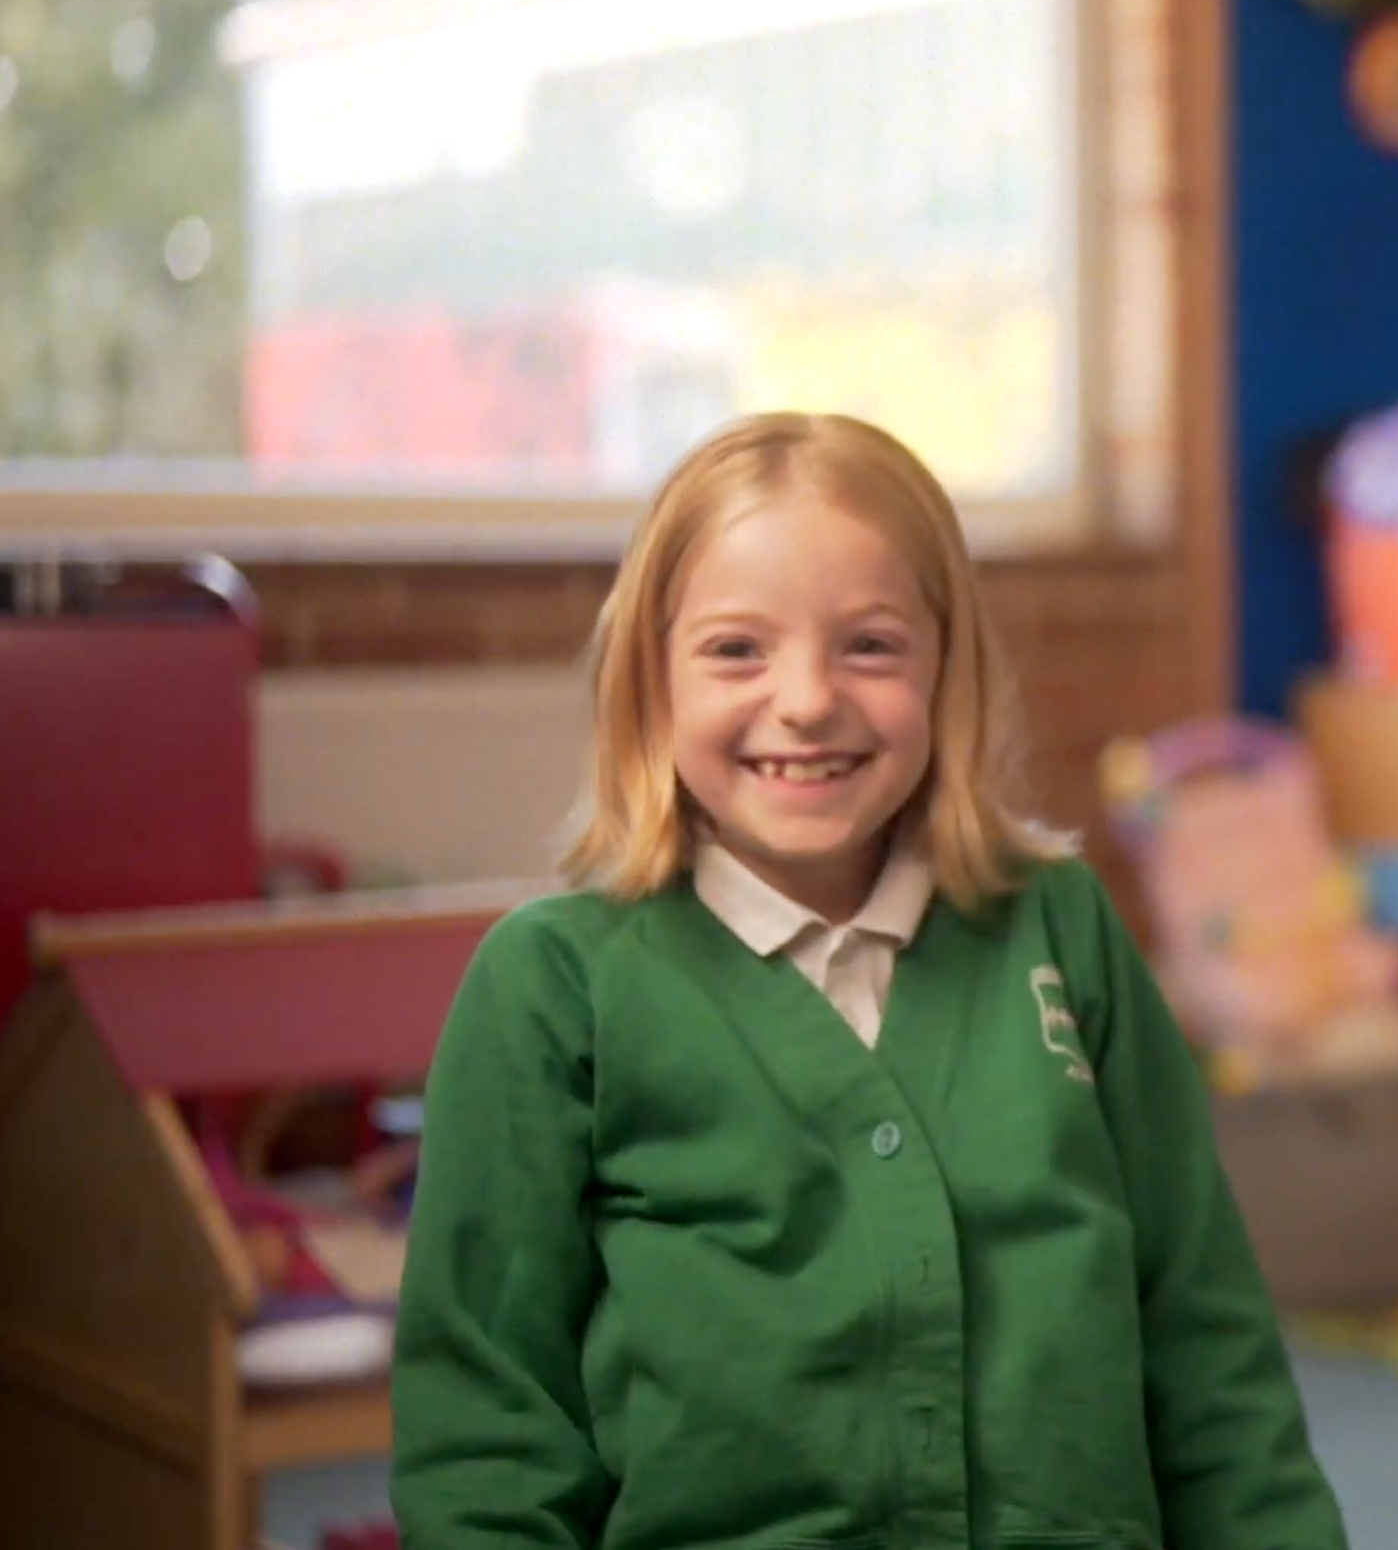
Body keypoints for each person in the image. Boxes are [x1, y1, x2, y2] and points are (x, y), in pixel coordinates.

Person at [391, 413, 1349, 1550]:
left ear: (946, 670)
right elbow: (484, 1424)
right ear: (649, 680)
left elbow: (1205, 1339)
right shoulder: (552, 984)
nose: (805, 698)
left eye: (870, 645)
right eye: (736, 649)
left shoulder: (1059, 927)